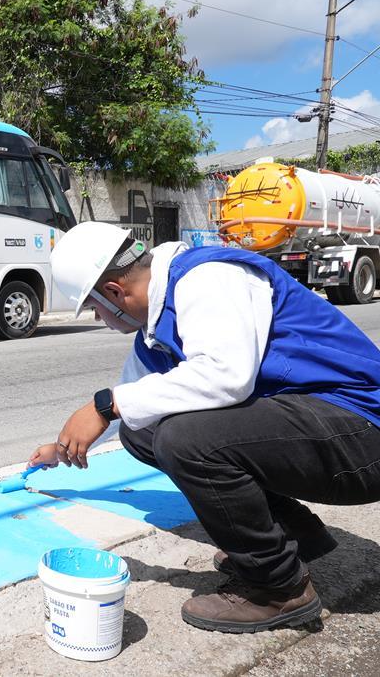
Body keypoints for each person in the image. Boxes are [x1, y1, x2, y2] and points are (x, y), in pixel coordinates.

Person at [27, 221, 380, 633]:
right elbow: (133, 398)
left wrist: (106, 405)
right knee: (142, 432)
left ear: (114, 293)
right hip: (326, 430)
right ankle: (293, 535)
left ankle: (278, 589)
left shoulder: (208, 278)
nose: (100, 319)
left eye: (94, 308)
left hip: (365, 434)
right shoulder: (156, 331)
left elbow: (225, 376)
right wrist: (63, 447)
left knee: (187, 440)